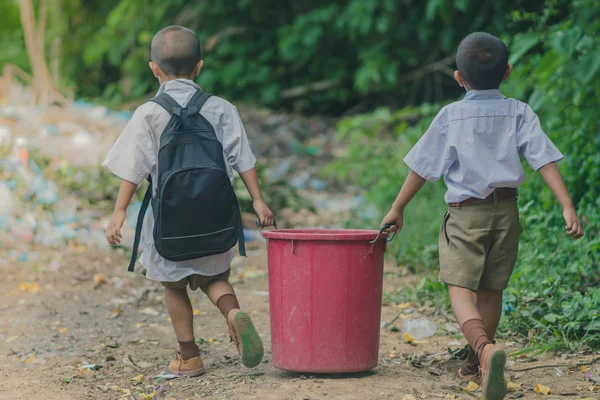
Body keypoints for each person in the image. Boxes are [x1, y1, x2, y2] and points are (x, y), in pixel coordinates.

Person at [381, 32, 584, 400]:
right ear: (507, 72)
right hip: (507, 212)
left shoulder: (450, 116)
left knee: (461, 290)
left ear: (459, 77)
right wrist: (567, 204)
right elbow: (544, 160)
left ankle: (486, 351)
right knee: (492, 289)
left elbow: (422, 169)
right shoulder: (520, 111)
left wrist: (398, 207)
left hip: (465, 215)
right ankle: (478, 362)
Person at [102, 25, 274, 376]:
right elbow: (244, 158)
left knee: (175, 286)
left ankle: (189, 356)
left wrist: (119, 211)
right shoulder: (222, 108)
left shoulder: (148, 114)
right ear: (199, 66)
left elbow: (132, 169)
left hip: (169, 222)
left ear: (154, 68)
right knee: (214, 277)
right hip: (216, 217)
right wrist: (258, 201)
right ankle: (231, 313)